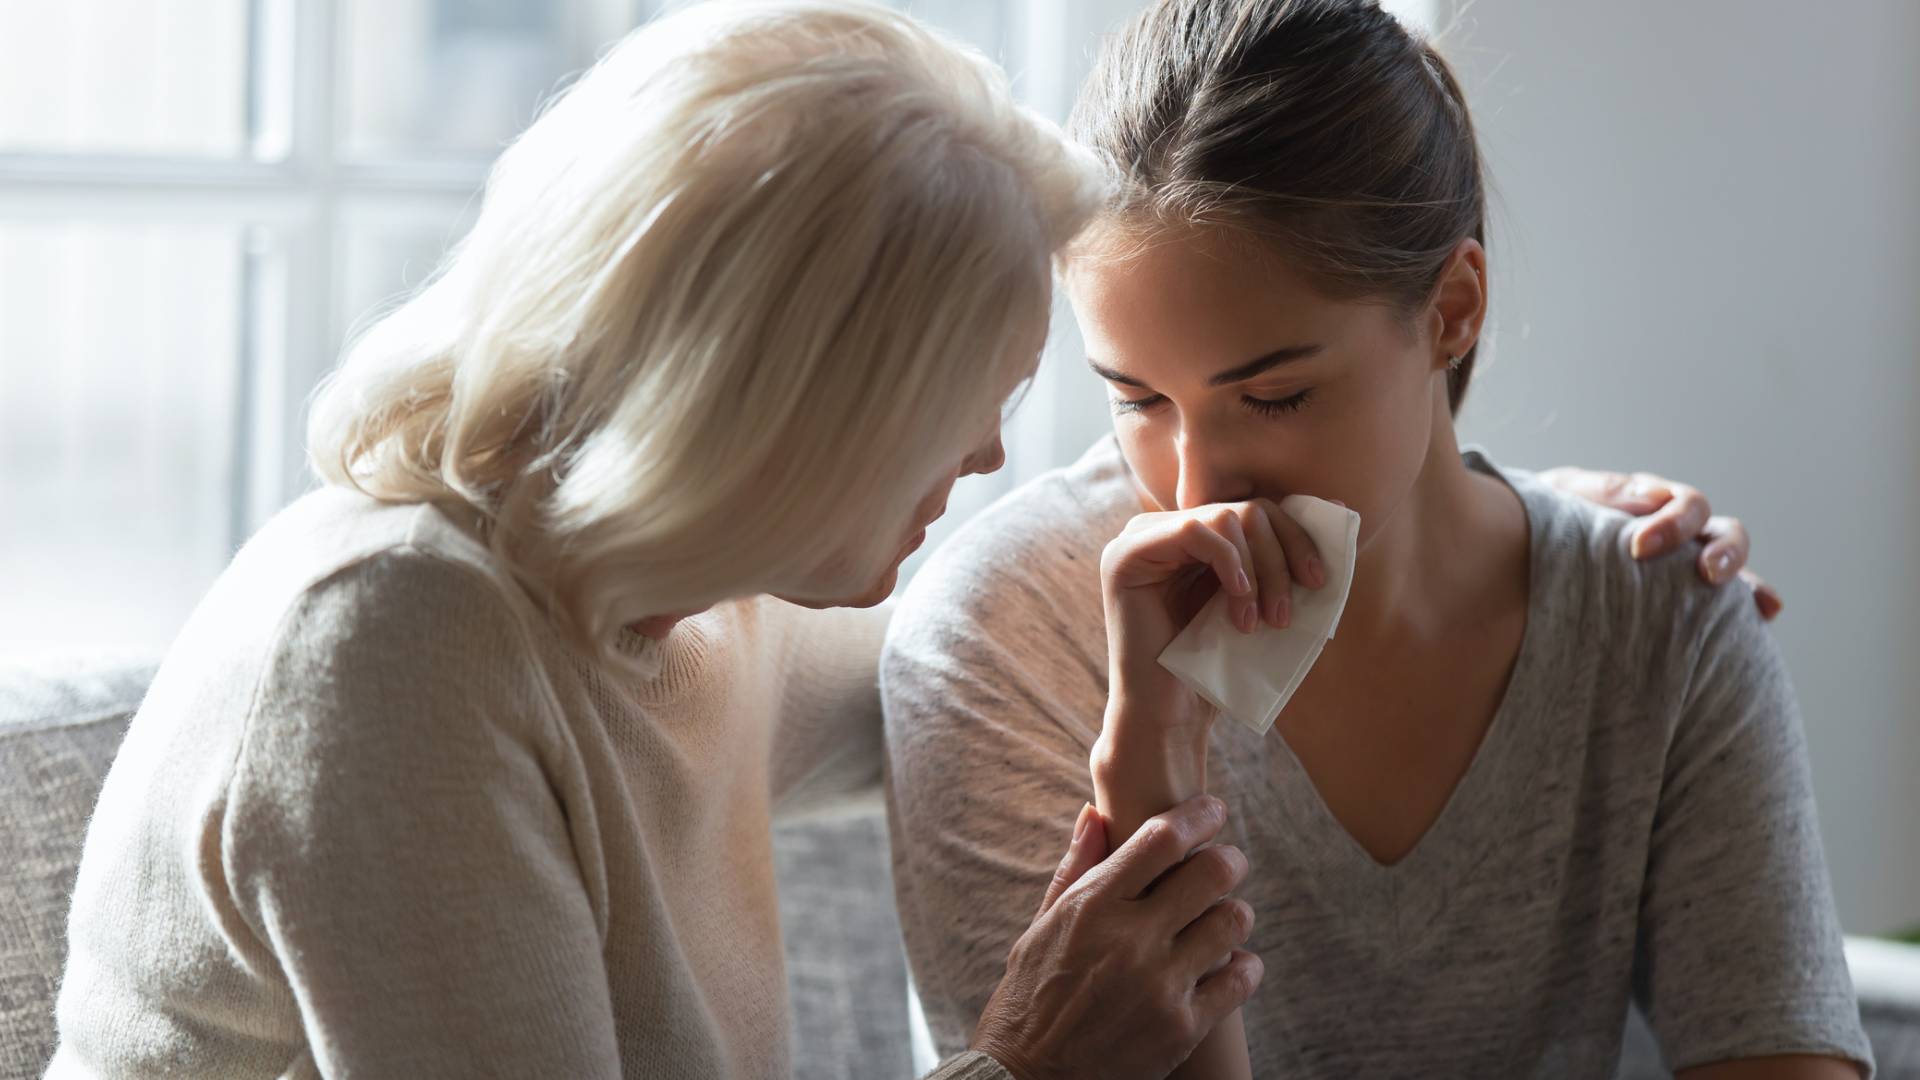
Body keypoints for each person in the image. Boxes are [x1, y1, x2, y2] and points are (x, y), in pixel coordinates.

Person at [45, 5, 1261, 1077]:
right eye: (960, 404)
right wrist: (1030, 1064)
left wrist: (1176, 582)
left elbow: (959, 665)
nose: (992, 456)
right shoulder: (393, 646)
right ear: (777, 408)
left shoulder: (698, 600)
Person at [881, 1, 1873, 1078]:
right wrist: (1154, 768)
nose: (1194, 488)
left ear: (1452, 309)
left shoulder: (1663, 613)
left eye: (1275, 397)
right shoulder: (1006, 637)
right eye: (1139, 400)